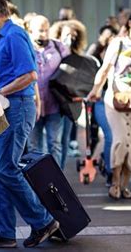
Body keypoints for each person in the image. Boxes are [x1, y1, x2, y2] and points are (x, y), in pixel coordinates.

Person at [0, 0, 59, 249]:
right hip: (9, 110)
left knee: (6, 169)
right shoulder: (1, 37)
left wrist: (1, 91)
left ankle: (43, 221)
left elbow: (31, 75)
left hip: (17, 108)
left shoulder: (14, 35)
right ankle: (4, 232)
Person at [87, 9, 131, 200]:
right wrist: (95, 90)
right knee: (120, 140)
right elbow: (105, 69)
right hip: (115, 99)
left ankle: (125, 186)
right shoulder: (118, 43)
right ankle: (115, 182)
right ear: (130, 23)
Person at [27, 15, 70, 166]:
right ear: (30, 30)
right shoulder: (26, 48)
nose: (43, 34)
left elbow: (71, 70)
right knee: (34, 147)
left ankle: (58, 182)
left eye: (46, 30)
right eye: (40, 30)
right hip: (32, 106)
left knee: (55, 144)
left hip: (55, 105)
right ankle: (38, 183)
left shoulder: (59, 48)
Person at [50, 19, 89, 167]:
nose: (70, 39)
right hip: (53, 100)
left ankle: (61, 171)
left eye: (73, 36)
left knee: (64, 138)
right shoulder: (53, 51)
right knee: (54, 140)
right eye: (67, 35)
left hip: (69, 102)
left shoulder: (79, 56)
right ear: (59, 34)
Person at [87, 25, 118, 186]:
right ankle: (110, 172)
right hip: (99, 97)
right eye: (109, 36)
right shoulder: (95, 51)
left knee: (114, 136)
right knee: (109, 135)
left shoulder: (121, 51)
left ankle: (111, 169)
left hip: (116, 98)